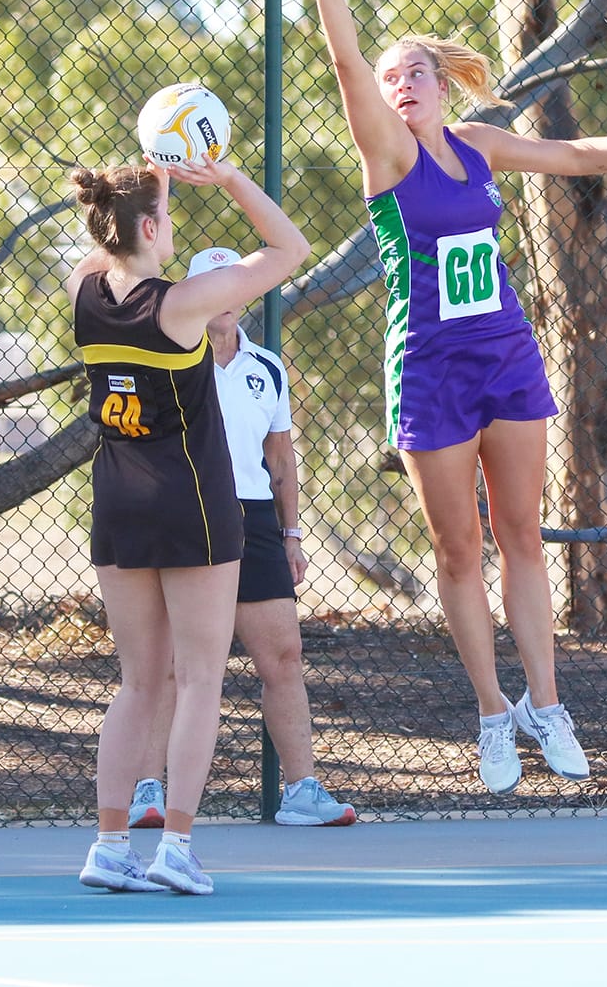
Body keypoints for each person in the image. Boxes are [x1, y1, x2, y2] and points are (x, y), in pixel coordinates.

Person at [282, 0, 607, 795]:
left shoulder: (476, 146)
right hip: (431, 369)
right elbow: (342, 59)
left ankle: (546, 704)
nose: (399, 86)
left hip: (507, 355)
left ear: (441, 84)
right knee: (456, 552)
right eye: (391, 79)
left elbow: (576, 155)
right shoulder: (386, 160)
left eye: (415, 75)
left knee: (521, 532)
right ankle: (490, 715)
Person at [68, 152, 309, 894]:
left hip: (118, 502)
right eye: (165, 217)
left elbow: (104, 249)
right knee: (202, 679)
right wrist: (229, 179)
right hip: (193, 505)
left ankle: (109, 847)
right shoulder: (181, 305)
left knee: (138, 683)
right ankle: (176, 847)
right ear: (148, 225)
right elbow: (289, 250)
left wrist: (149, 191)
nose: (171, 226)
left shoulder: (84, 291)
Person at [128, 245, 357, 829]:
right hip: (187, 514)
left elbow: (280, 457)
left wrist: (291, 534)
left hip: (253, 519)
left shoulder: (267, 368)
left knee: (283, 654)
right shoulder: (169, 359)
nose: (223, 296)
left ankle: (301, 792)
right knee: (175, 664)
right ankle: (149, 793)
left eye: (233, 284)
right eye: (212, 284)